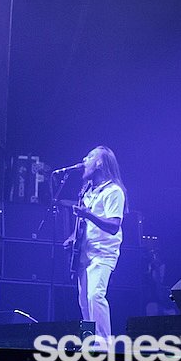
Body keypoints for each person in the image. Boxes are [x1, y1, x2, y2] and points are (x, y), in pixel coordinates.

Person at [63, 146, 127, 345]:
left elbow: (114, 226)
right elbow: (84, 223)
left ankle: (104, 346)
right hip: (85, 252)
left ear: (99, 163)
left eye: (90, 156)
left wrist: (88, 214)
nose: (84, 159)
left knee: (95, 296)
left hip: (103, 252)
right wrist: (73, 237)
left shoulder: (113, 191)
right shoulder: (87, 191)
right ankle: (91, 343)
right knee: (83, 301)